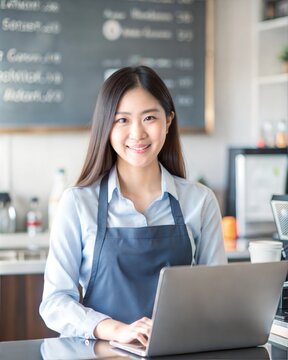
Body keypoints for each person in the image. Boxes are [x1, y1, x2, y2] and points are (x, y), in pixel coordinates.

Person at [40, 65, 227, 346]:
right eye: (122, 120)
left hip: (178, 351)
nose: (137, 133)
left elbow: (217, 295)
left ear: (168, 121)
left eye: (149, 117)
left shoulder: (199, 201)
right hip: (101, 352)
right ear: (106, 126)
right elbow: (54, 303)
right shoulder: (78, 202)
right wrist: (115, 329)